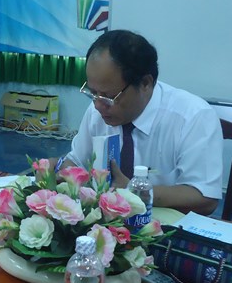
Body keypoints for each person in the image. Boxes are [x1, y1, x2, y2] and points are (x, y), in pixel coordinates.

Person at [63, 29, 223, 215]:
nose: (98, 105)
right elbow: (75, 162)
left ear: (146, 83)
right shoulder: (97, 109)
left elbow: (205, 197)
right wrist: (58, 170)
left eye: (109, 96)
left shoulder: (193, 117)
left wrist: (134, 191)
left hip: (164, 226)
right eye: (92, 93)